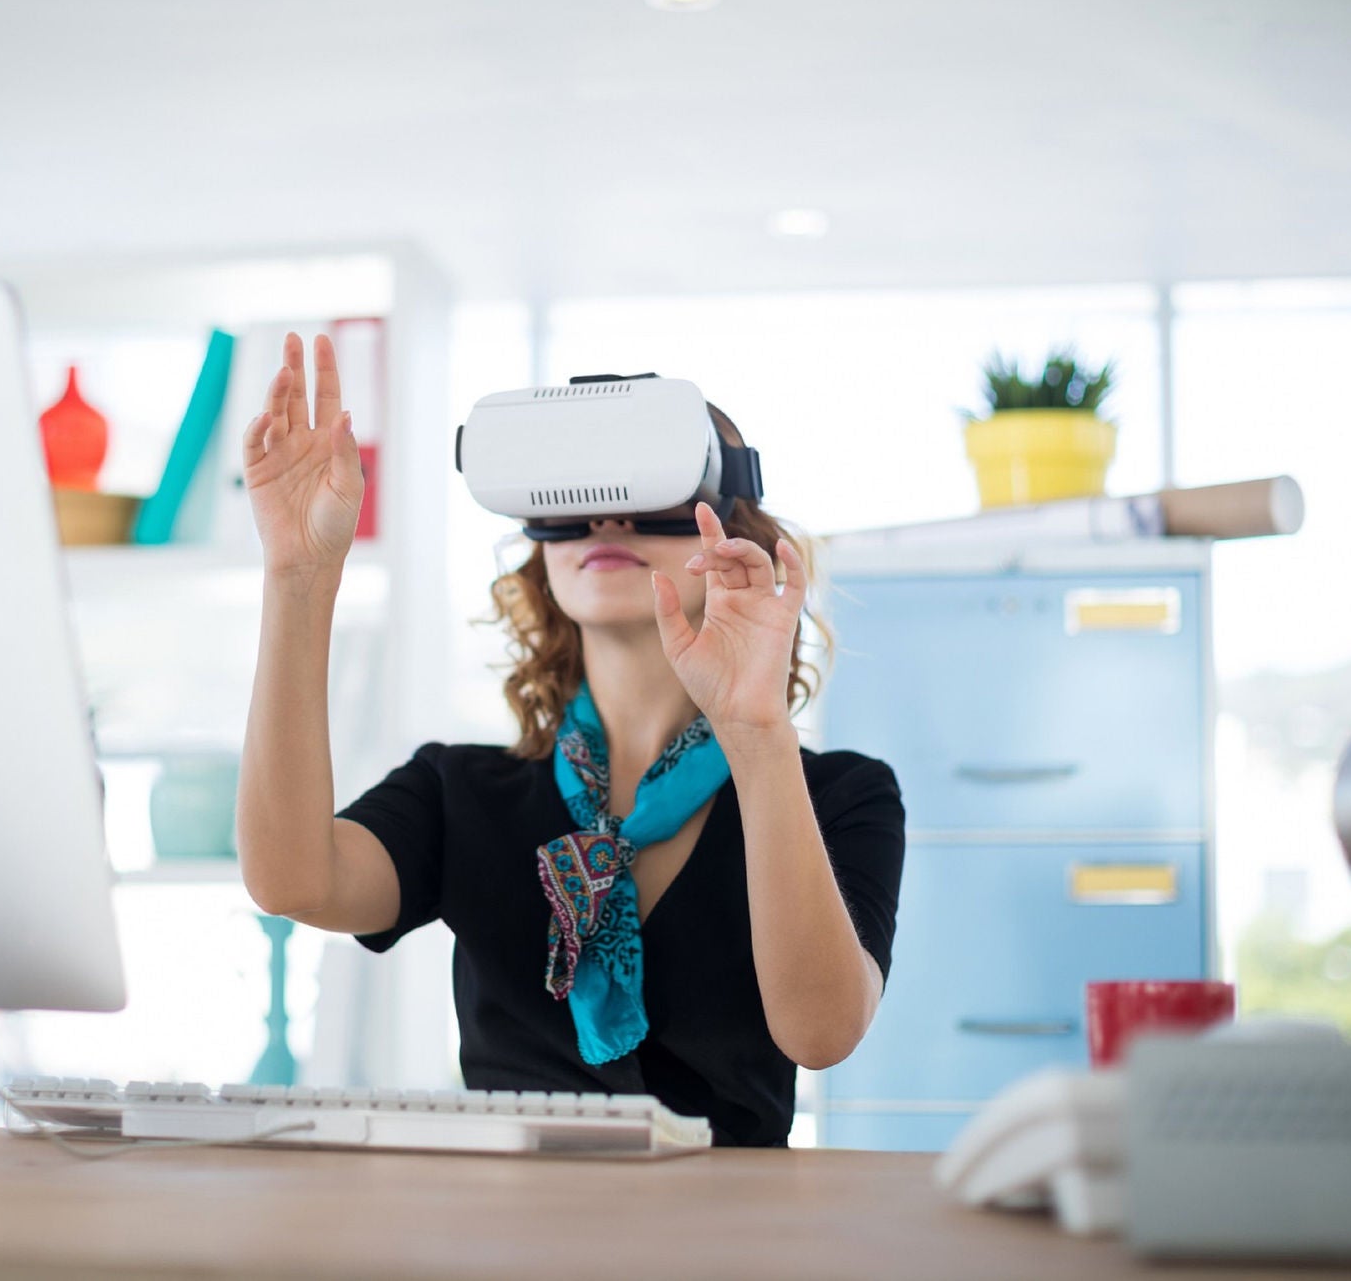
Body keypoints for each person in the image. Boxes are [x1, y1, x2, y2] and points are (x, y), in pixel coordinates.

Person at [235, 332, 905, 1147]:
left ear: (735, 533)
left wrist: (757, 734)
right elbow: (292, 880)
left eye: (654, 483)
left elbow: (822, 1033)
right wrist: (298, 578)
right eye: (573, 491)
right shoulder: (460, 790)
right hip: (510, 1217)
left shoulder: (838, 795)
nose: (608, 516)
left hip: (732, 1220)